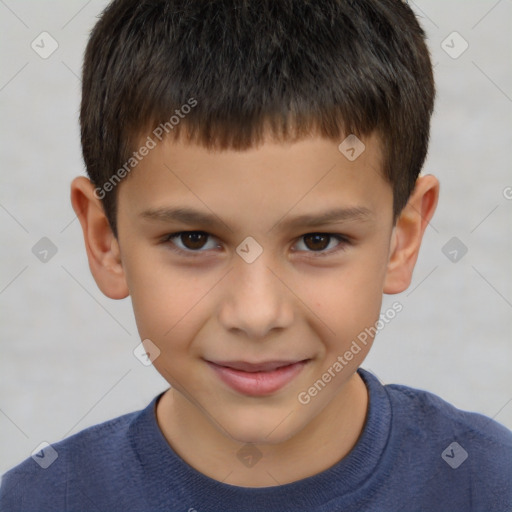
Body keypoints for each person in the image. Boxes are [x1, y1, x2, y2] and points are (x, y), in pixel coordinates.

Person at [1, 0, 511, 510]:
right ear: (105, 240)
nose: (257, 314)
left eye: (318, 241)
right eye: (194, 239)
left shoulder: (487, 486)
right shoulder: (41, 500)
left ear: (403, 239)